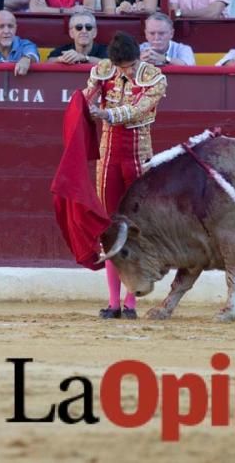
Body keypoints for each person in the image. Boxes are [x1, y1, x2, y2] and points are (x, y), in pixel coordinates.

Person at [83, 31, 167, 319]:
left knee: (136, 229)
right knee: (109, 229)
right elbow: (85, 98)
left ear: (138, 57)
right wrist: (83, 103)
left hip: (138, 158)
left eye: (129, 67)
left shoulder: (154, 77)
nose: (125, 72)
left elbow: (138, 110)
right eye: (121, 67)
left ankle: (131, 302)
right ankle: (113, 302)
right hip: (108, 159)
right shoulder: (103, 71)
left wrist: (105, 114)